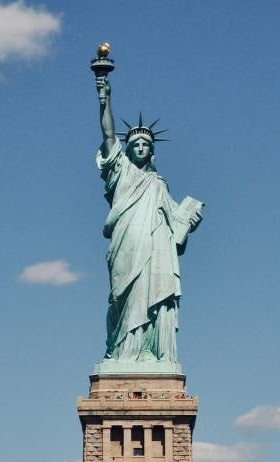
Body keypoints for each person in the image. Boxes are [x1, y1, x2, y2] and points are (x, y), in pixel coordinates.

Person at [95, 73, 203, 365]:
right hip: (127, 243)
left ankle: (148, 351)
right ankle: (122, 351)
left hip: (156, 249)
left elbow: (176, 222)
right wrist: (104, 98)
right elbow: (107, 136)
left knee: (152, 295)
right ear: (127, 149)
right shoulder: (121, 173)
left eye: (145, 144)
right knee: (123, 297)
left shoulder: (158, 184)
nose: (140, 147)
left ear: (151, 150)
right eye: (135, 144)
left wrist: (189, 219)